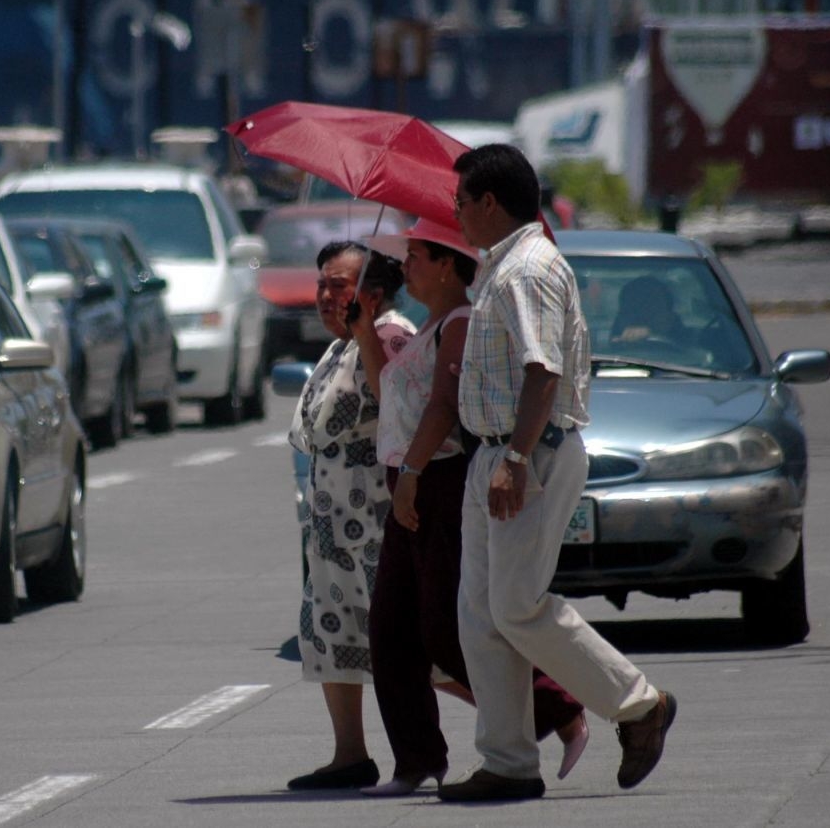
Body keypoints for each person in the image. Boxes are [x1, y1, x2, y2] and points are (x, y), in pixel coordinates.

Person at [438, 144, 677, 803]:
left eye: (459, 203)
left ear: (490, 203)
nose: (453, 215)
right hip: (497, 453)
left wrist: (515, 460)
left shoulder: (528, 271)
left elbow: (542, 372)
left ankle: (639, 703)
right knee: (481, 614)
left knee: (515, 605)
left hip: (531, 453)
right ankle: (508, 762)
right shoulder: (501, 269)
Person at [352, 218, 586, 797]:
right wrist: (364, 340)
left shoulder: (459, 322)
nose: (405, 267)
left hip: (438, 478)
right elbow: (393, 403)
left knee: (445, 628)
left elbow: (441, 409)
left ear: (449, 265)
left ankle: (557, 710)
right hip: (408, 477)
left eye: (416, 256)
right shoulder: (426, 325)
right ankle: (416, 760)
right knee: (390, 628)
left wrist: (409, 476)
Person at [285, 240, 414, 791]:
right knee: (330, 636)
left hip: (376, 524)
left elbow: (402, 406)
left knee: (409, 644)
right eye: (321, 285)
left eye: (338, 285)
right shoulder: (336, 347)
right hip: (331, 528)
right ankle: (350, 755)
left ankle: (543, 711)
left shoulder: (391, 334)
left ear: (373, 292)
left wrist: (366, 336)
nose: (324, 296)